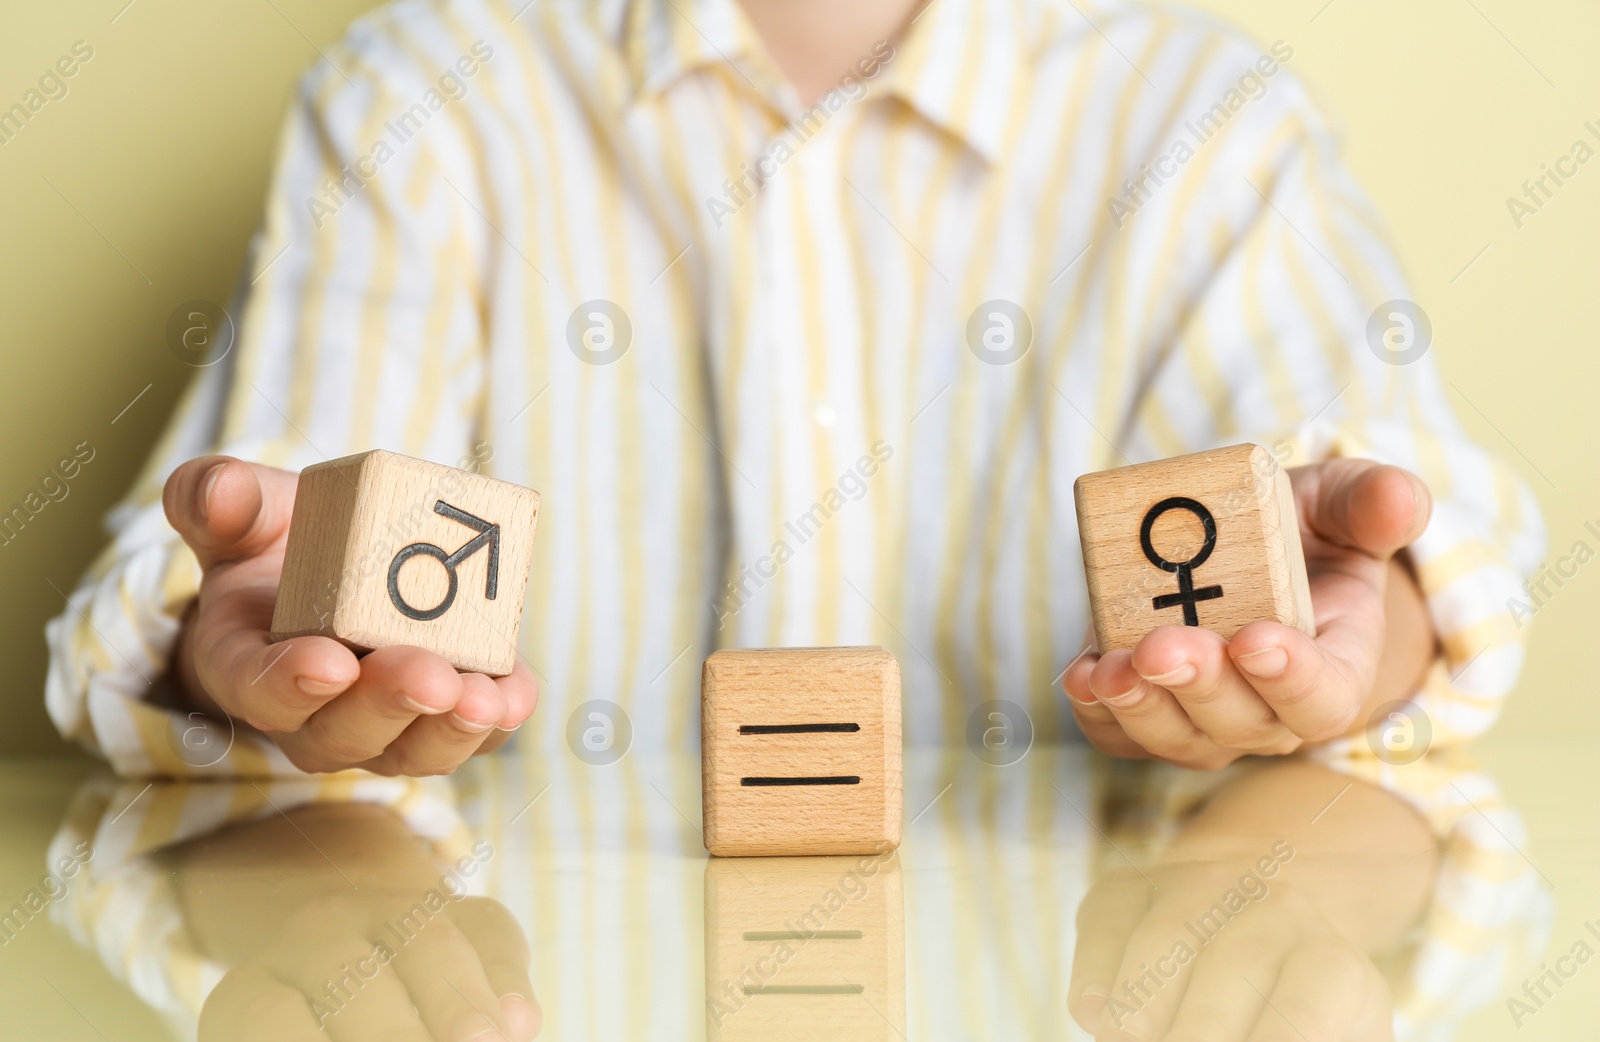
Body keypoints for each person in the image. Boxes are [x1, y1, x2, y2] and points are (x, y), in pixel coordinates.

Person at [46, 0, 1543, 778]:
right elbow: (257, 542)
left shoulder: (1209, 125)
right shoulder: (425, 100)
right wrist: (225, 645)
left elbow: (1387, 523)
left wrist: (1381, 614)